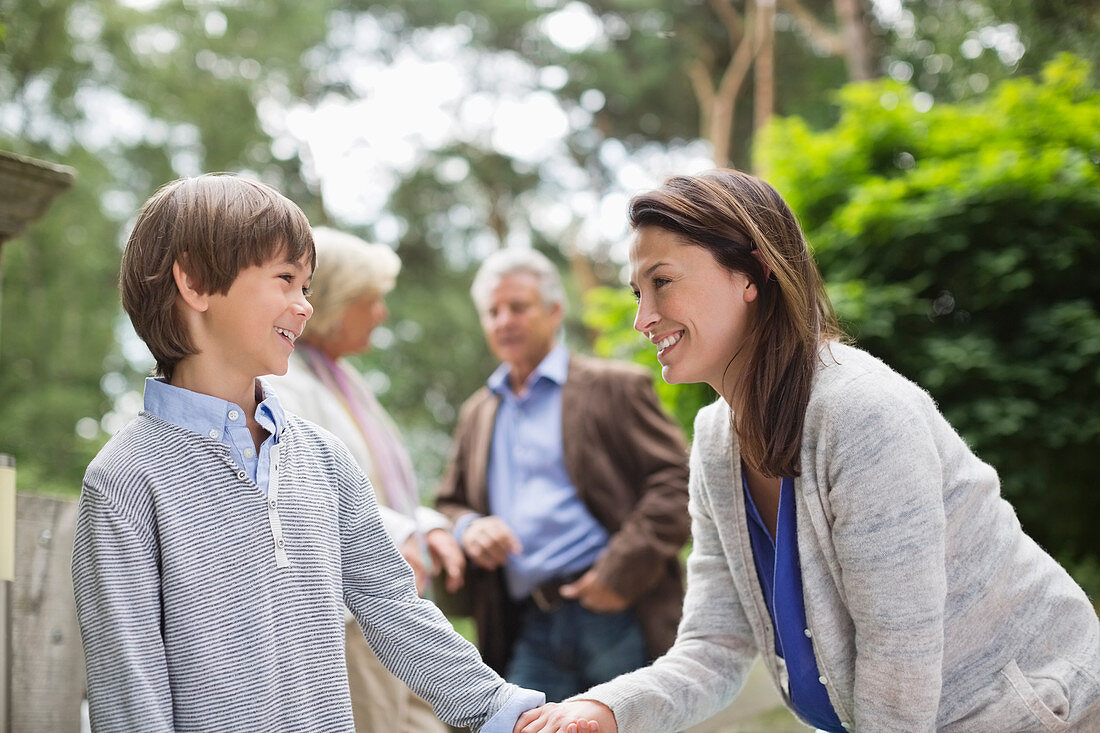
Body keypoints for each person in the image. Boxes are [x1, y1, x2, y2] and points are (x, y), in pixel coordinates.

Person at [514, 169, 1100, 733]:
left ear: (753, 274)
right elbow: (715, 643)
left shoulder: (861, 413)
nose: (643, 317)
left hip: (1033, 714)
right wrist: (606, 709)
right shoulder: (718, 441)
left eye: (663, 282)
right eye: (637, 291)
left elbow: (899, 652)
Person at [71, 174, 544, 733]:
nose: (303, 307)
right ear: (195, 281)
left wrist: (505, 709)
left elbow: (394, 608)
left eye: (308, 287)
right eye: (286, 280)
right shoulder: (123, 480)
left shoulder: (323, 458)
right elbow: (129, 692)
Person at [435, 248, 691, 703]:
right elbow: (449, 502)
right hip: (526, 622)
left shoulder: (615, 386)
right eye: (492, 312)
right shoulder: (478, 412)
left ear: (555, 311)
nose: (503, 321)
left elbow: (677, 481)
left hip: (614, 609)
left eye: (518, 306)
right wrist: (471, 527)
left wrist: (619, 573)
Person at [265, 226, 462, 733]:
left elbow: (370, 487)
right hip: (352, 621)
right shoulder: (288, 388)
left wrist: (428, 524)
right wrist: (404, 532)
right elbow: (313, 496)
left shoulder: (345, 382)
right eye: (370, 300)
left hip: (397, 612)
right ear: (334, 302)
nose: (382, 314)